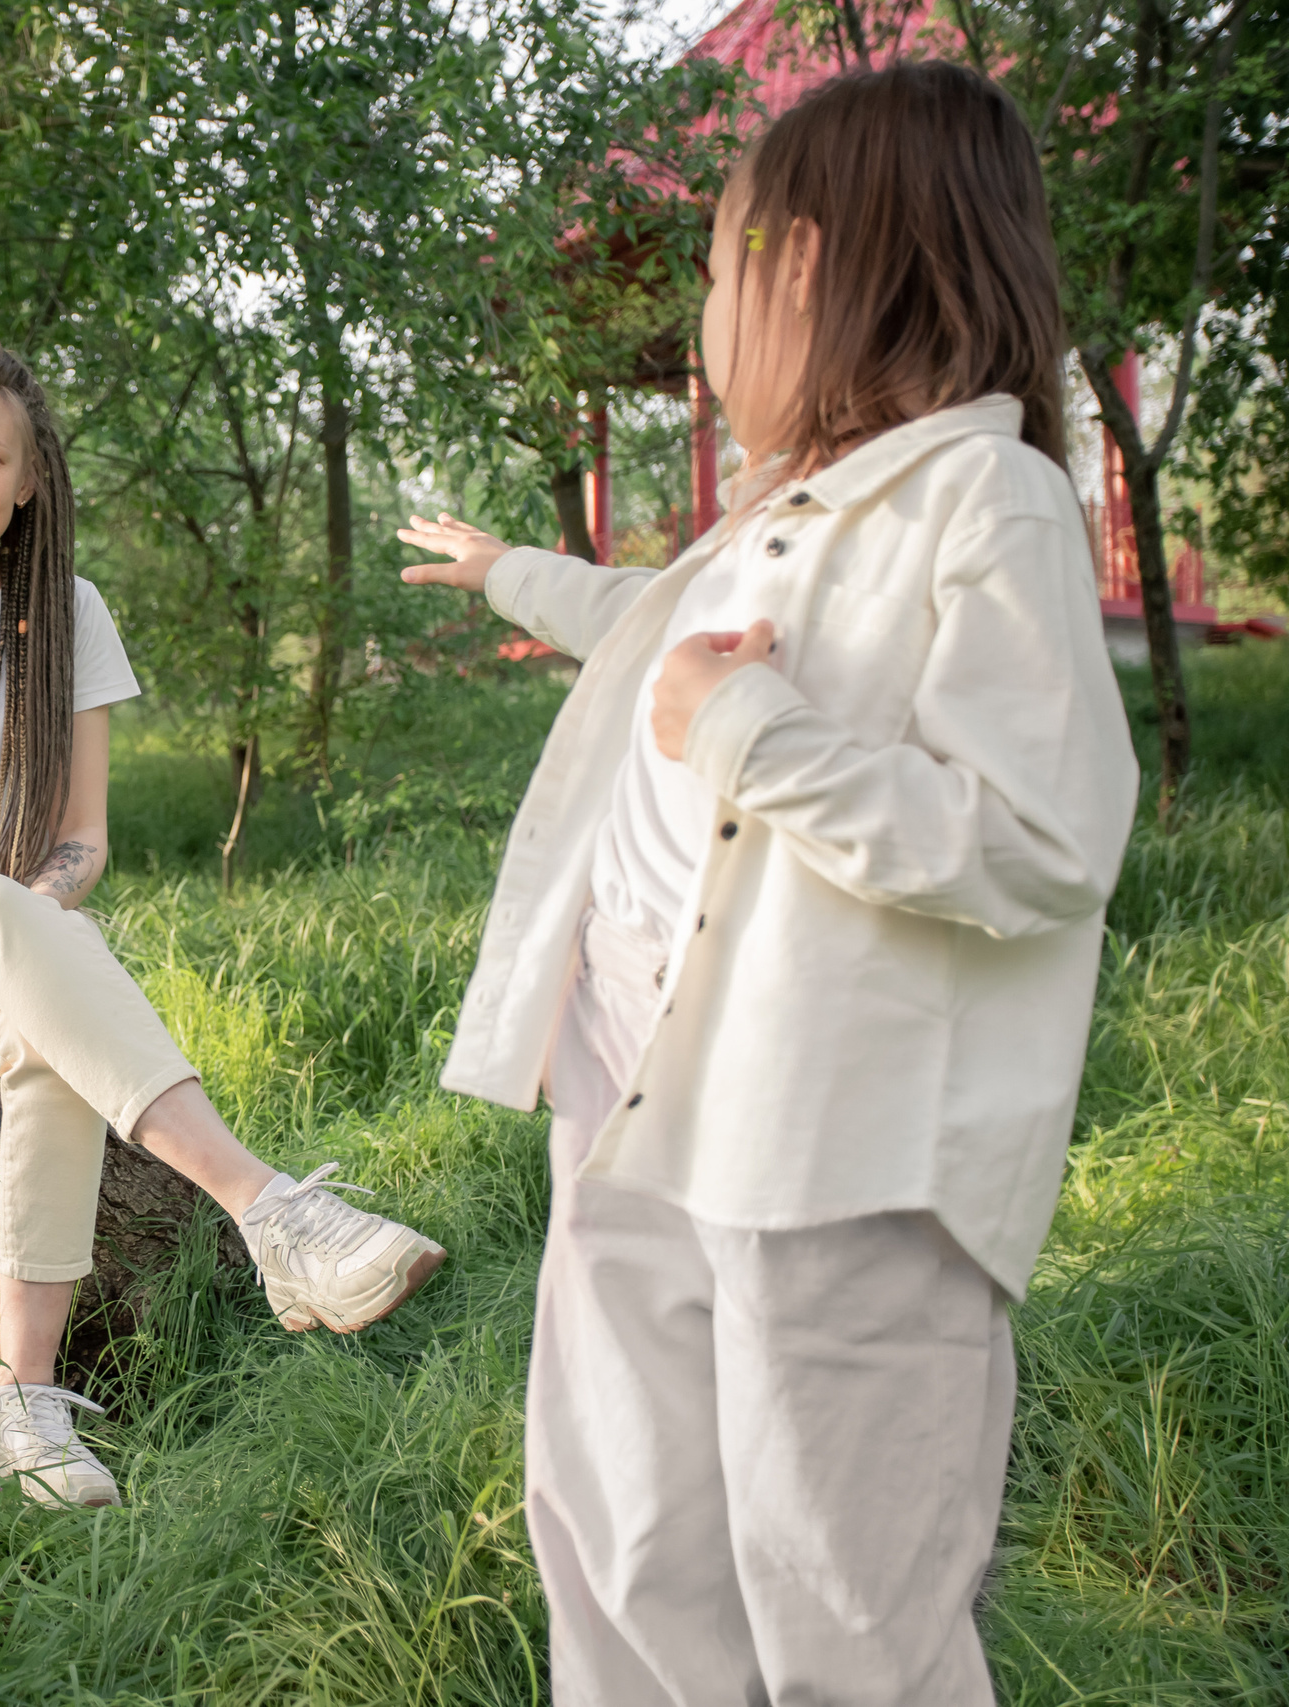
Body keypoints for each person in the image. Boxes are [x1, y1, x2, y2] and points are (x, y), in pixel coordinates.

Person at [398, 63, 1136, 1706]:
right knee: (623, 1530)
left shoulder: (988, 501)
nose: (707, 320)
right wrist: (503, 572)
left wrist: (744, 730)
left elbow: (1043, 836)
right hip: (631, 1095)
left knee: (842, 1587)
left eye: (717, 268)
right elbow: (639, 622)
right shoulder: (778, 514)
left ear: (802, 264)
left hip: (836, 1152)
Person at [0, 337, 447, 1508]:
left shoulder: (67, 613)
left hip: (3, 919)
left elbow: (82, 838)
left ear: (29, 479)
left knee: (41, 1011)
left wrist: (34, 929)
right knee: (3, 917)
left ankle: (20, 1404)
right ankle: (269, 1209)